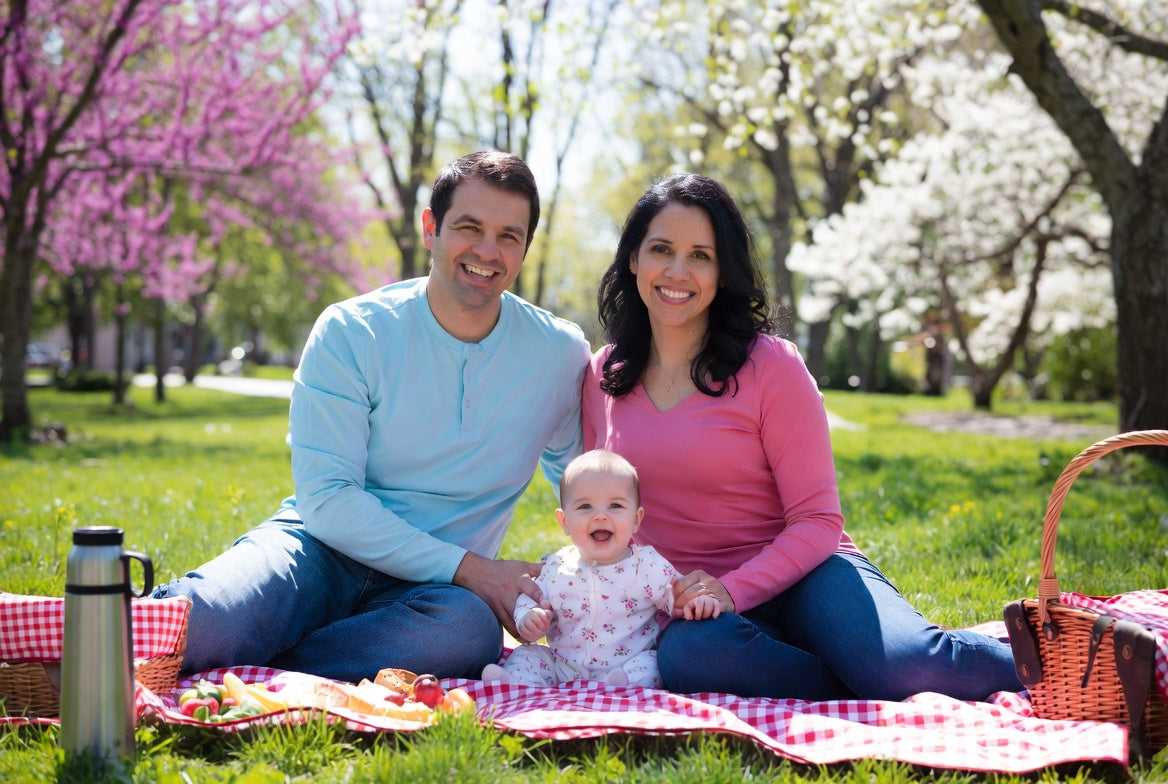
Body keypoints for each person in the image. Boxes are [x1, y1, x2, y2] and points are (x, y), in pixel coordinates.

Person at [152, 151, 592, 683]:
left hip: (435, 596)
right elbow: (328, 500)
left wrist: (619, 576)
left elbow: (583, 482)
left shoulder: (558, 353)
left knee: (466, 635)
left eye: (508, 236)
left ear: (525, 247)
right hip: (319, 551)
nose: (486, 251)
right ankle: (167, 639)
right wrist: (475, 570)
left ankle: (271, 661)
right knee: (206, 621)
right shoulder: (352, 331)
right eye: (469, 227)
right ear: (431, 227)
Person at [580, 173, 1023, 701]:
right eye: (661, 249)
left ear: (723, 273)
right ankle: (852, 676)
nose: (678, 271)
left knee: (903, 665)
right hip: (696, 610)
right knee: (689, 658)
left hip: (810, 576)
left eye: (701, 255)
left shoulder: (771, 366)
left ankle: (1068, 659)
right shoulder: (603, 375)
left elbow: (818, 523)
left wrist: (733, 588)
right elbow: (602, 503)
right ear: (633, 259)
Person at [481, 449, 719, 687]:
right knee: (529, 655)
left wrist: (695, 602)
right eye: (585, 507)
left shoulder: (647, 566)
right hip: (564, 665)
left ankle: (621, 685)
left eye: (615, 505)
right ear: (564, 521)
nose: (600, 516)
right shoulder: (557, 566)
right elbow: (531, 596)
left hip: (626, 663)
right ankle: (513, 682)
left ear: (636, 519)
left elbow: (676, 595)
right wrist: (529, 617)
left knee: (653, 663)